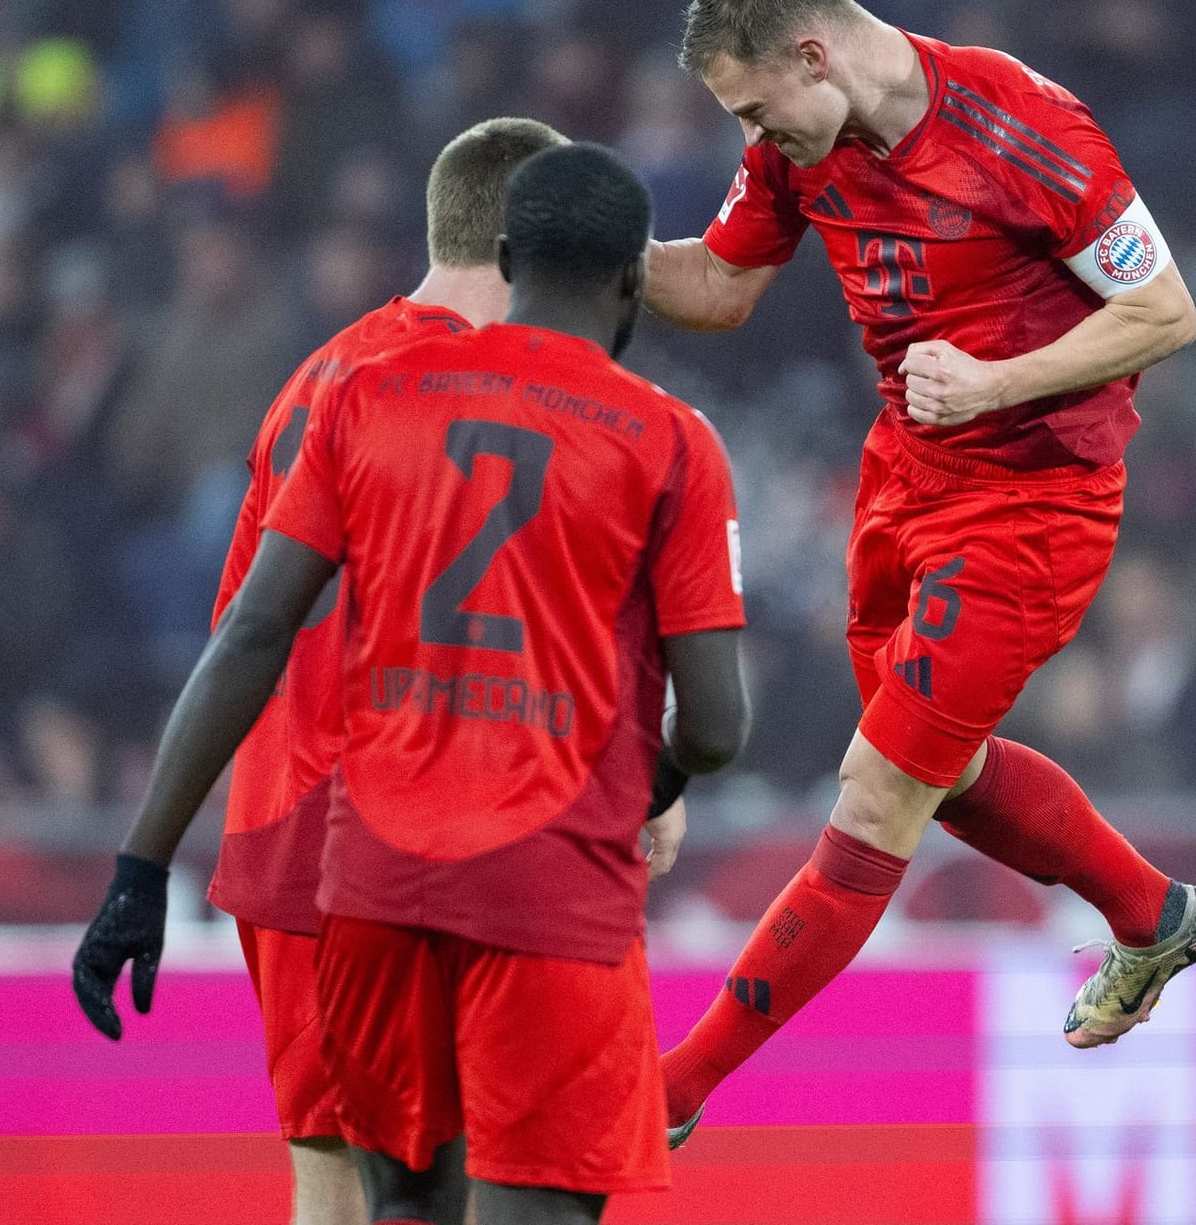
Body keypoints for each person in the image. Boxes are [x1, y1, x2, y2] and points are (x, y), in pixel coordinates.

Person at [81, 141, 749, 1225]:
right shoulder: (652, 432)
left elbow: (252, 627)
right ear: (619, 275)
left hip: (345, 850)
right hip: (475, 833)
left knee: (365, 1186)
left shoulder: (348, 381)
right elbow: (702, 711)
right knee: (479, 1191)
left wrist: (140, 860)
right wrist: (642, 777)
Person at [645, 0, 1196, 1142]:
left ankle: (672, 1090)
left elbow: (1165, 310)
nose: (757, 135)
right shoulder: (799, 142)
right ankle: (1153, 913)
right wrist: (577, 240)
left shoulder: (1020, 122)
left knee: (878, 793)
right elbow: (715, 285)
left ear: (813, 53)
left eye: (756, 107)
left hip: (1032, 506)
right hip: (902, 478)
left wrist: (998, 380)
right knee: (940, 771)